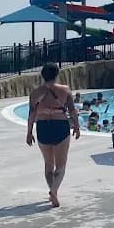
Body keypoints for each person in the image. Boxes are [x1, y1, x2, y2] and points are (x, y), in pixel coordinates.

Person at [25, 63, 81, 207]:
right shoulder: (65, 90)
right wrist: (77, 126)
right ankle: (54, 190)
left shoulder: (35, 93)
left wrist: (29, 132)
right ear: (57, 74)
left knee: (48, 164)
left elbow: (31, 114)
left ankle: (52, 189)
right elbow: (73, 111)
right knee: (61, 164)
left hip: (43, 127)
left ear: (42, 75)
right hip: (60, 126)